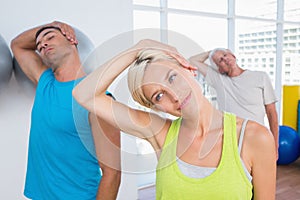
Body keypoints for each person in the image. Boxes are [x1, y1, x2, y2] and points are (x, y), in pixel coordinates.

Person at [73, 39, 276, 199]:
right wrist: (138, 48)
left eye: (172, 78)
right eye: (159, 96)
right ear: (155, 107)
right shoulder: (159, 132)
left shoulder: (255, 138)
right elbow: (83, 94)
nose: (175, 95)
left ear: (189, 69)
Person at [11, 21, 121, 200]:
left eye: (50, 37)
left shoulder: (97, 99)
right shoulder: (45, 81)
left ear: (72, 39)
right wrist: (52, 24)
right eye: (39, 45)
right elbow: (18, 45)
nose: (43, 44)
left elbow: (112, 173)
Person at [189, 48, 279, 156]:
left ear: (234, 56)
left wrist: (275, 143)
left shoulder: (260, 77)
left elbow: (271, 113)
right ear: (219, 69)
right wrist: (211, 52)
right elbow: (193, 60)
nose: (225, 59)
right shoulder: (218, 79)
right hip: (232, 141)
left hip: (257, 138)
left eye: (226, 55)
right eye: (220, 60)